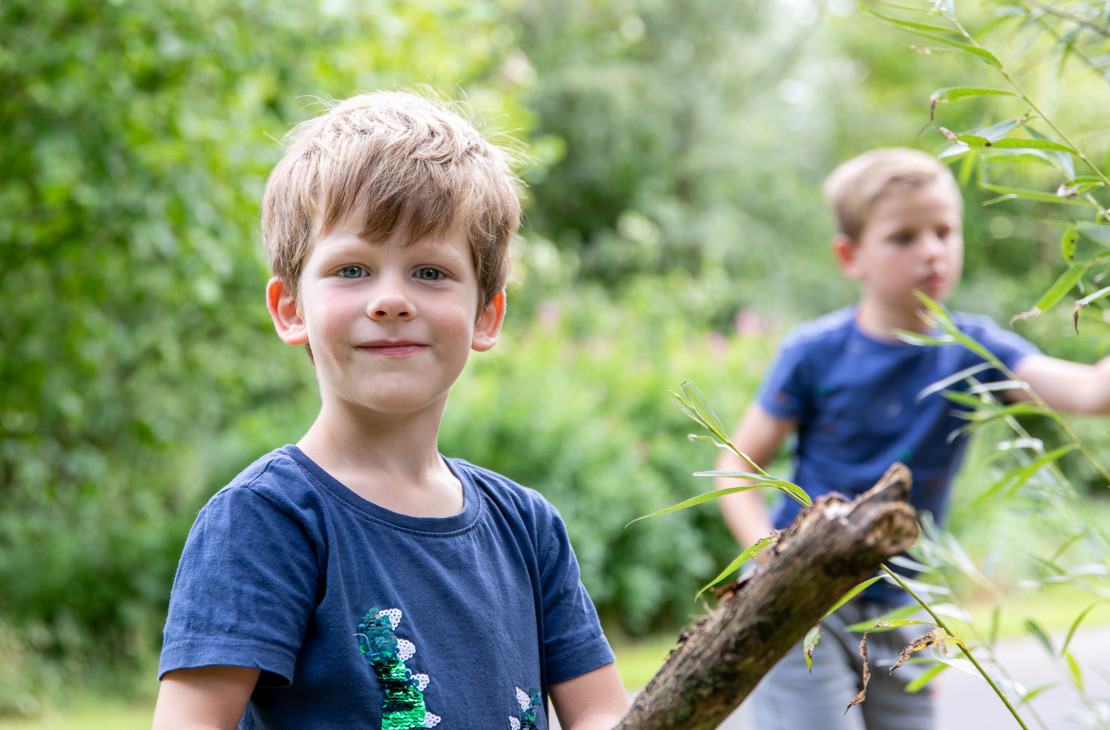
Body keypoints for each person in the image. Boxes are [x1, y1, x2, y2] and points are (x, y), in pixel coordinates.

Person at [152, 91, 629, 730]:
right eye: (352, 269)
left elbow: (603, 714)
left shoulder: (527, 527)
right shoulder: (267, 521)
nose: (390, 300)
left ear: (486, 316)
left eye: (430, 272)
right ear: (290, 309)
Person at [715, 147, 1110, 730]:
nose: (932, 250)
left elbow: (1092, 394)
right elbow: (734, 470)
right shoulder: (813, 354)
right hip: (805, 607)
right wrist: (770, 556)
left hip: (909, 611)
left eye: (945, 231)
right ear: (851, 255)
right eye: (904, 237)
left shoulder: (975, 351)